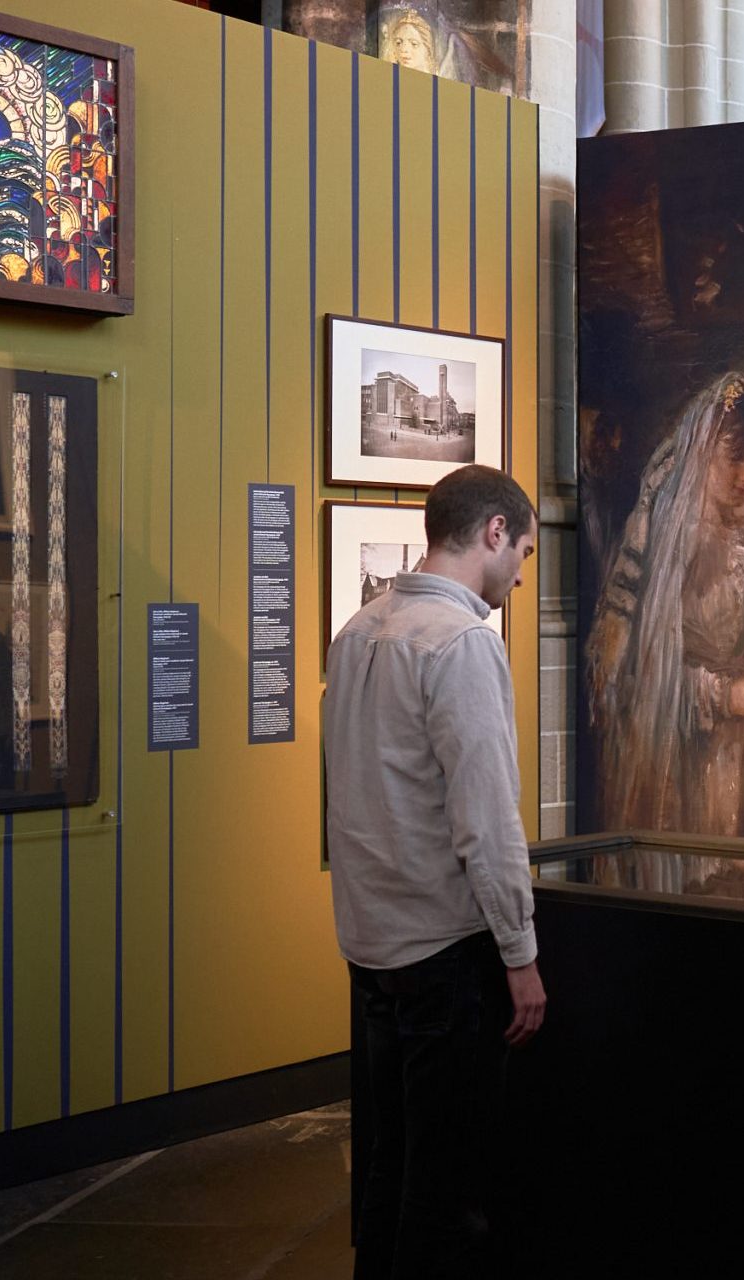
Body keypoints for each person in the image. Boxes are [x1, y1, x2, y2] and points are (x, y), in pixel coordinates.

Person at [323, 464, 546, 1280]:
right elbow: (486, 820)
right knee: (445, 1183)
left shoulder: (358, 631)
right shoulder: (461, 643)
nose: (520, 575)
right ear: (494, 531)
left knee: (391, 1157)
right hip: (444, 955)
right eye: (522, 553)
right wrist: (520, 954)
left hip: (373, 945)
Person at [585, 375, 744, 900]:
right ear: (700, 452)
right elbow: (634, 679)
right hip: (689, 772)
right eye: (736, 457)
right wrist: (729, 696)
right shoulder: (665, 547)